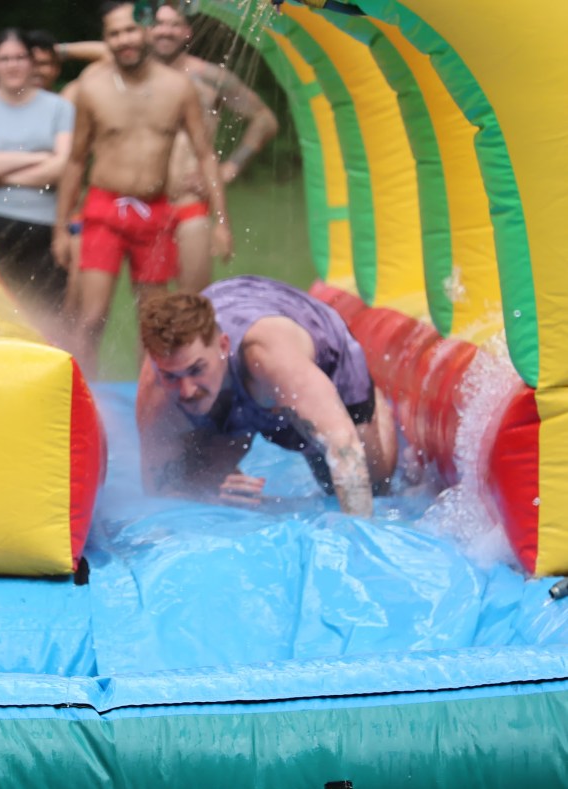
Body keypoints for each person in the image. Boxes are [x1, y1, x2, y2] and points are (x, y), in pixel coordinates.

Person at [53, 1, 232, 378]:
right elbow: (74, 161)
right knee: (91, 314)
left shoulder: (178, 88)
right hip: (103, 208)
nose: (124, 40)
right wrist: (60, 228)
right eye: (114, 34)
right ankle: (81, 398)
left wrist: (221, 221)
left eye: (130, 31)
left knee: (154, 321)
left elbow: (205, 155)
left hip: (155, 213)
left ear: (148, 32)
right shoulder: (92, 87)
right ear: (106, 40)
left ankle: (149, 398)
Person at [134, 276, 398, 517]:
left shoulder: (271, 358)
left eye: (196, 370)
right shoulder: (156, 388)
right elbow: (159, 490)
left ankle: (371, 407)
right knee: (195, 471)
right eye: (171, 377)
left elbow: (344, 445)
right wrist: (209, 490)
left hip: (314, 353)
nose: (186, 389)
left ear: (223, 346)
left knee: (371, 483)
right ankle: (231, 426)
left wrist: (358, 541)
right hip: (243, 363)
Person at [151, 2, 278, 292]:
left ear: (187, 32)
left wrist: (230, 167)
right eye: (159, 24)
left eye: (174, 25)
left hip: (189, 199)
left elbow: (264, 119)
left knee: (191, 302)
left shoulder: (209, 78)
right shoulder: (135, 76)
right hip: (143, 203)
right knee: (150, 308)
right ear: (148, 30)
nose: (165, 31)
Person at [0, 28, 74, 312]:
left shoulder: (60, 108)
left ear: (33, 63)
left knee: (42, 313)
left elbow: (63, 167)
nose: (13, 65)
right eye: (4, 59)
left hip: (42, 225)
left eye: (20, 57)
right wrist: (36, 159)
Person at [0, 30, 107, 103]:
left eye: (43, 63)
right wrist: (9, 51)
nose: (35, 70)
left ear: (56, 68)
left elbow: (109, 55)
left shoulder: (66, 101)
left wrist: (58, 49)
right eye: (29, 61)